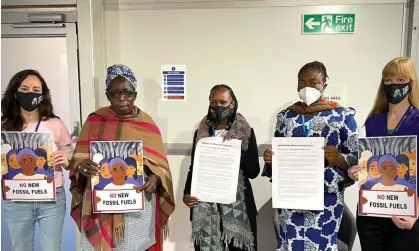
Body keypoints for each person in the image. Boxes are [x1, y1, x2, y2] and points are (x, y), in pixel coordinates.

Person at [69, 64, 175, 251]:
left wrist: (155, 178)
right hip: (100, 201)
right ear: (107, 94)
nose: (121, 98)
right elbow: (78, 161)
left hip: (137, 199)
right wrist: (82, 168)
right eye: (115, 93)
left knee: (136, 247)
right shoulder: (94, 121)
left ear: (135, 94)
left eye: (127, 93)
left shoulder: (147, 124)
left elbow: (160, 166)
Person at [263, 61, 358, 250]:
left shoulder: (342, 115)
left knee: (322, 244)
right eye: (302, 82)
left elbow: (355, 157)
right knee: (289, 244)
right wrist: (271, 160)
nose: (307, 87)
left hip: (325, 197)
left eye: (314, 82)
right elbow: (278, 151)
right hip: (291, 195)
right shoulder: (285, 117)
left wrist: (337, 159)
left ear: (324, 84)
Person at [348, 57, 419, 250]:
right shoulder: (373, 121)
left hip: (406, 211)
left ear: (411, 83)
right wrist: (357, 171)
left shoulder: (417, 119)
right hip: (371, 212)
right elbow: (368, 163)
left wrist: (416, 210)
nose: (393, 85)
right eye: (388, 81)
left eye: (400, 80)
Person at [1, 69, 73, 251]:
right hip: (17, 199)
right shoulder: (4, 127)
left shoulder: (55, 124)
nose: (30, 94)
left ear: (43, 94)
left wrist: (65, 159)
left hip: (51, 199)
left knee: (52, 247)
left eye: (35, 89)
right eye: (24, 89)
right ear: (15, 93)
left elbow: (69, 155)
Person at [183, 84, 260, 251]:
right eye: (214, 102)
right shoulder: (202, 131)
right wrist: (186, 193)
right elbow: (194, 166)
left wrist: (236, 149)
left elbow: (253, 171)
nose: (218, 107)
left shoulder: (245, 131)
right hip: (205, 205)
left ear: (232, 103)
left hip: (238, 208)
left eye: (223, 102)